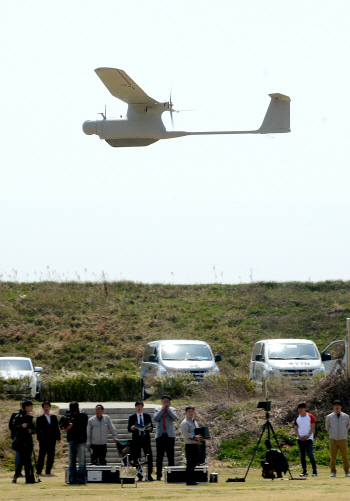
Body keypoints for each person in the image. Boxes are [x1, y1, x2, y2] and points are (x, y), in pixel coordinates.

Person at [59, 401, 88, 485]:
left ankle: (82, 478)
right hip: (71, 440)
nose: (73, 412)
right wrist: (64, 427)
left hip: (80, 440)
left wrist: (72, 424)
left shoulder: (83, 415)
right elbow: (61, 423)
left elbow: (82, 426)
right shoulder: (68, 414)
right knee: (71, 461)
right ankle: (72, 478)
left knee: (82, 461)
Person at [11, 400, 36, 484]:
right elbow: (12, 427)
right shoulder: (18, 416)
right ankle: (16, 476)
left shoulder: (30, 418)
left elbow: (35, 429)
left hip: (28, 441)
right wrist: (21, 426)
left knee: (28, 460)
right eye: (30, 406)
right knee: (22, 460)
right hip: (20, 441)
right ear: (26, 407)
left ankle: (29, 479)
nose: (32, 407)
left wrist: (31, 431)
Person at [154, 395, 178, 481]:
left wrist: (168, 409)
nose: (165, 402)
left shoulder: (172, 409)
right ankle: (158, 475)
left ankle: (171, 474)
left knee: (170, 455)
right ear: (162, 401)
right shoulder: (157, 409)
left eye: (167, 401)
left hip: (170, 435)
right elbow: (156, 418)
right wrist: (162, 409)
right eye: (164, 401)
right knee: (159, 456)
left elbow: (175, 418)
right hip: (160, 435)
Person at [128, 401, 154, 480]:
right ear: (135, 407)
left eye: (140, 406)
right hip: (136, 439)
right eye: (138, 406)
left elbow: (151, 426)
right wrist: (131, 428)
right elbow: (128, 428)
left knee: (149, 456)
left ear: (142, 407)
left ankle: (149, 474)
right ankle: (139, 475)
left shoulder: (147, 416)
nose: (139, 408)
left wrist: (150, 428)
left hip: (145, 438)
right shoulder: (132, 417)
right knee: (137, 457)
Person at [325, 400, 350, 477]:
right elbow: (327, 427)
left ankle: (347, 472)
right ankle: (333, 472)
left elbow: (348, 426)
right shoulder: (329, 417)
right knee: (333, 457)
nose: (337, 407)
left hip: (343, 439)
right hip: (333, 439)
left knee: (345, 456)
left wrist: (343, 433)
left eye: (338, 405)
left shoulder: (346, 416)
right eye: (335, 405)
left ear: (341, 407)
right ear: (333, 407)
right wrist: (332, 434)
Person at [36, 401, 61, 476]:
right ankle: (39, 470)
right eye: (45, 407)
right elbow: (38, 430)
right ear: (43, 408)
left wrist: (58, 437)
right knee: (42, 455)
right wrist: (39, 439)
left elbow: (56, 428)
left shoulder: (53, 417)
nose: (46, 408)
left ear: (50, 407)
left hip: (52, 439)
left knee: (51, 455)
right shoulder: (40, 418)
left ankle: (48, 470)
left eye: (47, 407)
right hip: (43, 440)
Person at [294, 401, 318, 477]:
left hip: (308, 438)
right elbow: (295, 428)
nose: (300, 410)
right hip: (300, 438)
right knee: (302, 455)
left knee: (310, 454)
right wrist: (299, 436)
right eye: (299, 408)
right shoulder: (297, 418)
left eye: (302, 408)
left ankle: (315, 470)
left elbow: (313, 427)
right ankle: (304, 470)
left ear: (305, 408)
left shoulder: (310, 416)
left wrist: (307, 436)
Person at [180, 406, 202, 485]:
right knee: (190, 463)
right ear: (186, 413)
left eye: (192, 411)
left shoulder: (194, 422)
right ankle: (189, 480)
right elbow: (185, 434)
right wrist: (194, 437)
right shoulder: (185, 422)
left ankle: (192, 479)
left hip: (196, 444)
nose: (190, 413)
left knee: (195, 462)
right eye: (189, 411)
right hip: (190, 445)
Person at [9, 401, 25, 477]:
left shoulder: (28, 415)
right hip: (18, 438)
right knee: (18, 455)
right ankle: (17, 471)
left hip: (25, 438)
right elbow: (11, 426)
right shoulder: (16, 414)